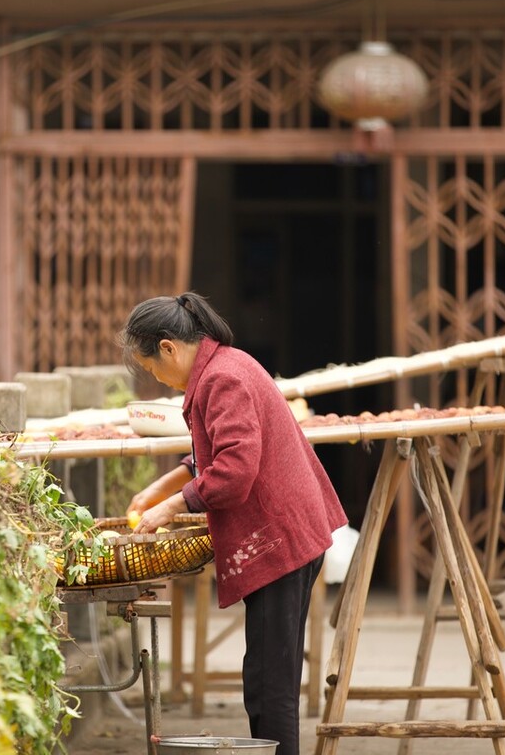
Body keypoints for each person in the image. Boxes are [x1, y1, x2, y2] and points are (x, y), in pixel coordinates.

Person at [122, 291, 348, 755]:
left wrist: (171, 508)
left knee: (270, 685)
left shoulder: (222, 378)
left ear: (168, 347)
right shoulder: (223, 368)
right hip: (286, 533)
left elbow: (235, 471)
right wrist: (156, 492)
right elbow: (213, 452)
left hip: (281, 539)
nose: (160, 380)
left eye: (152, 369)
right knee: (267, 676)